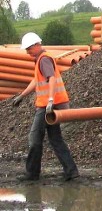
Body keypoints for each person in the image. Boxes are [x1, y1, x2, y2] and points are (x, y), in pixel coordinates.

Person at [11, 32, 80, 182]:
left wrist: (49, 100)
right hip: (51, 104)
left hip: (46, 106)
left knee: (35, 138)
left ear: (37, 45)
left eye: (29, 48)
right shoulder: (41, 60)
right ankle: (71, 171)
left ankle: (32, 174)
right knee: (55, 139)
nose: (27, 51)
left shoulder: (44, 59)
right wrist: (22, 95)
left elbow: (52, 78)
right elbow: (36, 81)